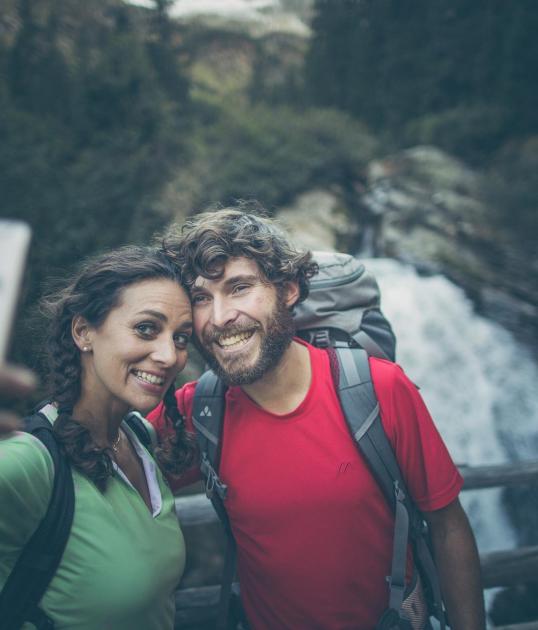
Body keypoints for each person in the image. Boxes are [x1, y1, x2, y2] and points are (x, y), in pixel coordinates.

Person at [150, 207, 486, 630]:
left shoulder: (378, 390)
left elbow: (448, 524)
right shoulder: (197, 412)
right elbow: (104, 458)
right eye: (201, 298)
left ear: (288, 289)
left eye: (239, 287)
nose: (219, 318)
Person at [0, 245, 196, 630]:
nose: (169, 355)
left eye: (182, 337)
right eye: (146, 328)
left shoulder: (141, 439)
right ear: (83, 331)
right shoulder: (30, 461)